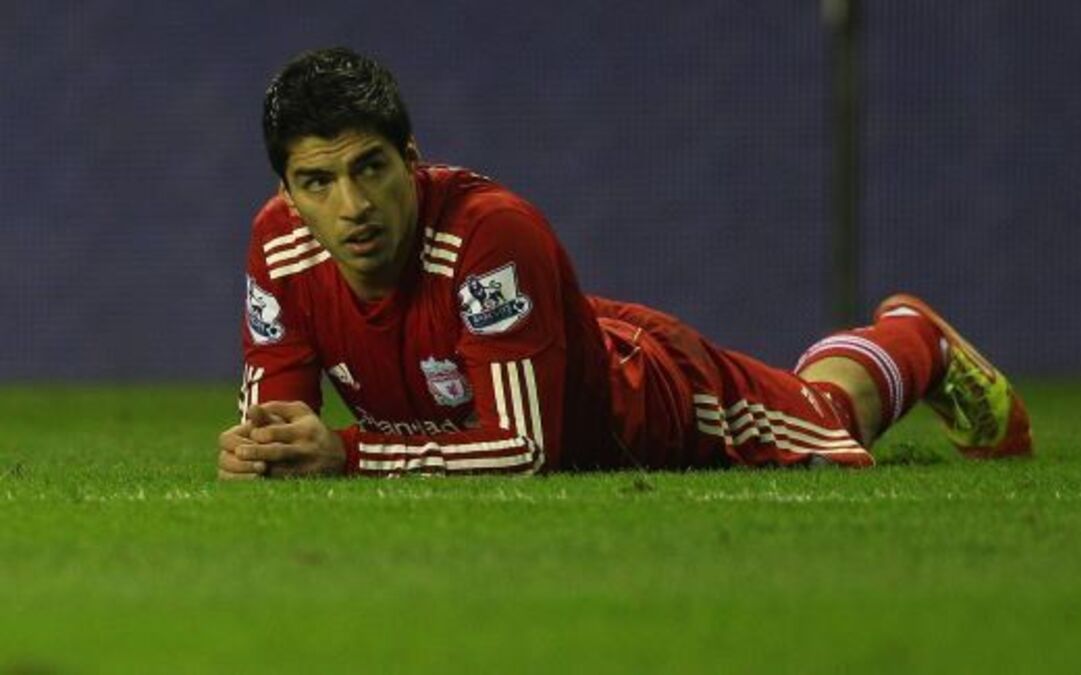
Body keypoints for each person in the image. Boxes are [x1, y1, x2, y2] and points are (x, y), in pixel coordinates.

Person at [217, 47, 1032, 480]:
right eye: (318, 182)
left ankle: (915, 340)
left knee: (829, 415)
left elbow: (523, 449)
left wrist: (348, 454)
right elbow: (276, 433)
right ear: (288, 193)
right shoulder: (278, 244)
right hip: (546, 343)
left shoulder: (488, 234)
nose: (352, 205)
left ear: (411, 160)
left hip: (655, 405)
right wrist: (265, 451)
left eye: (370, 168)